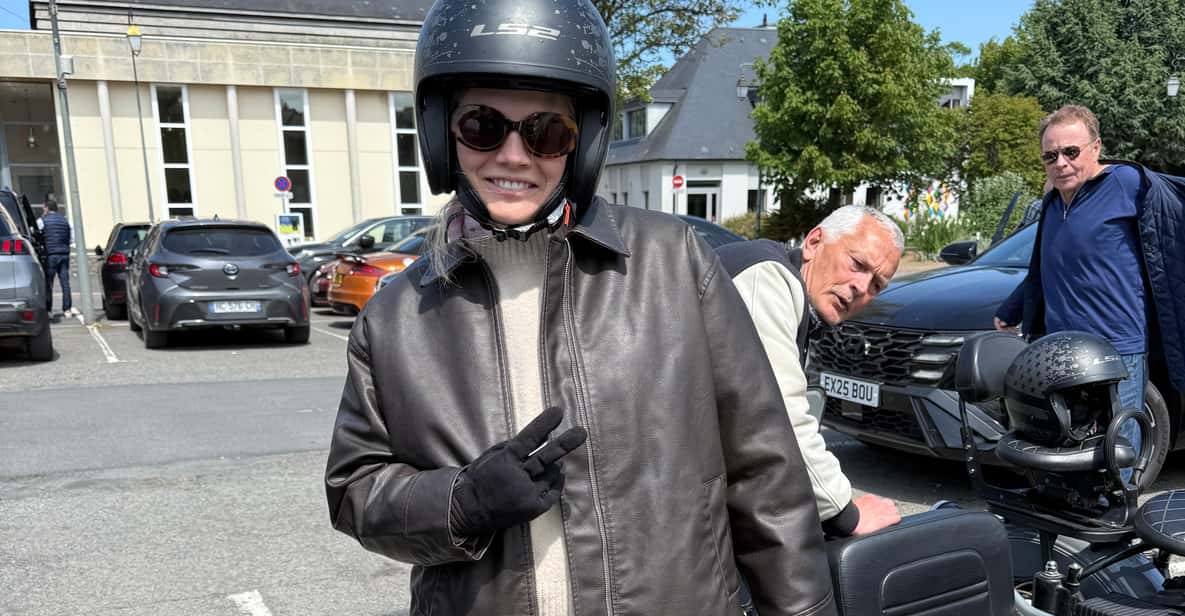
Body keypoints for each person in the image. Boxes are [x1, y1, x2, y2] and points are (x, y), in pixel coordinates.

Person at [323, 0, 837, 614]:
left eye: (546, 132)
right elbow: (355, 490)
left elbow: (766, 474)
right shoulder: (396, 318)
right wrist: (459, 502)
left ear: (582, 143)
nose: (514, 156)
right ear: (441, 133)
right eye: (483, 126)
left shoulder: (673, 265)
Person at [995, 104, 1185, 482]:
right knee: (1070, 452)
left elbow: (1171, 223)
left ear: (1096, 147)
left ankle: (1120, 512)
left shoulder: (1128, 183)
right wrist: (1012, 309)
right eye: (1050, 156)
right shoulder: (1052, 203)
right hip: (1062, 353)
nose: (1061, 163)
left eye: (1071, 151)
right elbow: (1042, 267)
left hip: (1118, 351)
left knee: (1118, 452)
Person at [717, 205, 903, 538]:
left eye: (877, 284)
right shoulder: (767, 278)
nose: (861, 287)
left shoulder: (795, 297)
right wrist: (845, 513)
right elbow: (778, 418)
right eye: (857, 264)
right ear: (814, 242)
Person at [38, 199, 73, 317]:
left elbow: (35, 233)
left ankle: (49, 310)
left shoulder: (42, 220)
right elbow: (71, 239)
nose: (43, 210)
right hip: (64, 254)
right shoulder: (65, 220)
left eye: (44, 208)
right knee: (65, 283)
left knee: (49, 283)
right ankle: (67, 309)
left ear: (47, 208)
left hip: (51, 254)